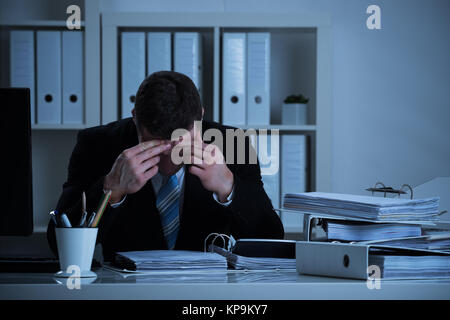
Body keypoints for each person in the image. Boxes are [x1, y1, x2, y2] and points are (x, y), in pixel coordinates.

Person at [47, 71, 284, 261]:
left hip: (211, 293)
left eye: (180, 145)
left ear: (200, 118)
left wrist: (229, 187)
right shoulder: (96, 145)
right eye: (153, 146)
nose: (169, 160)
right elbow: (57, 244)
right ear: (135, 118)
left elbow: (271, 236)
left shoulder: (233, 143)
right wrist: (109, 192)